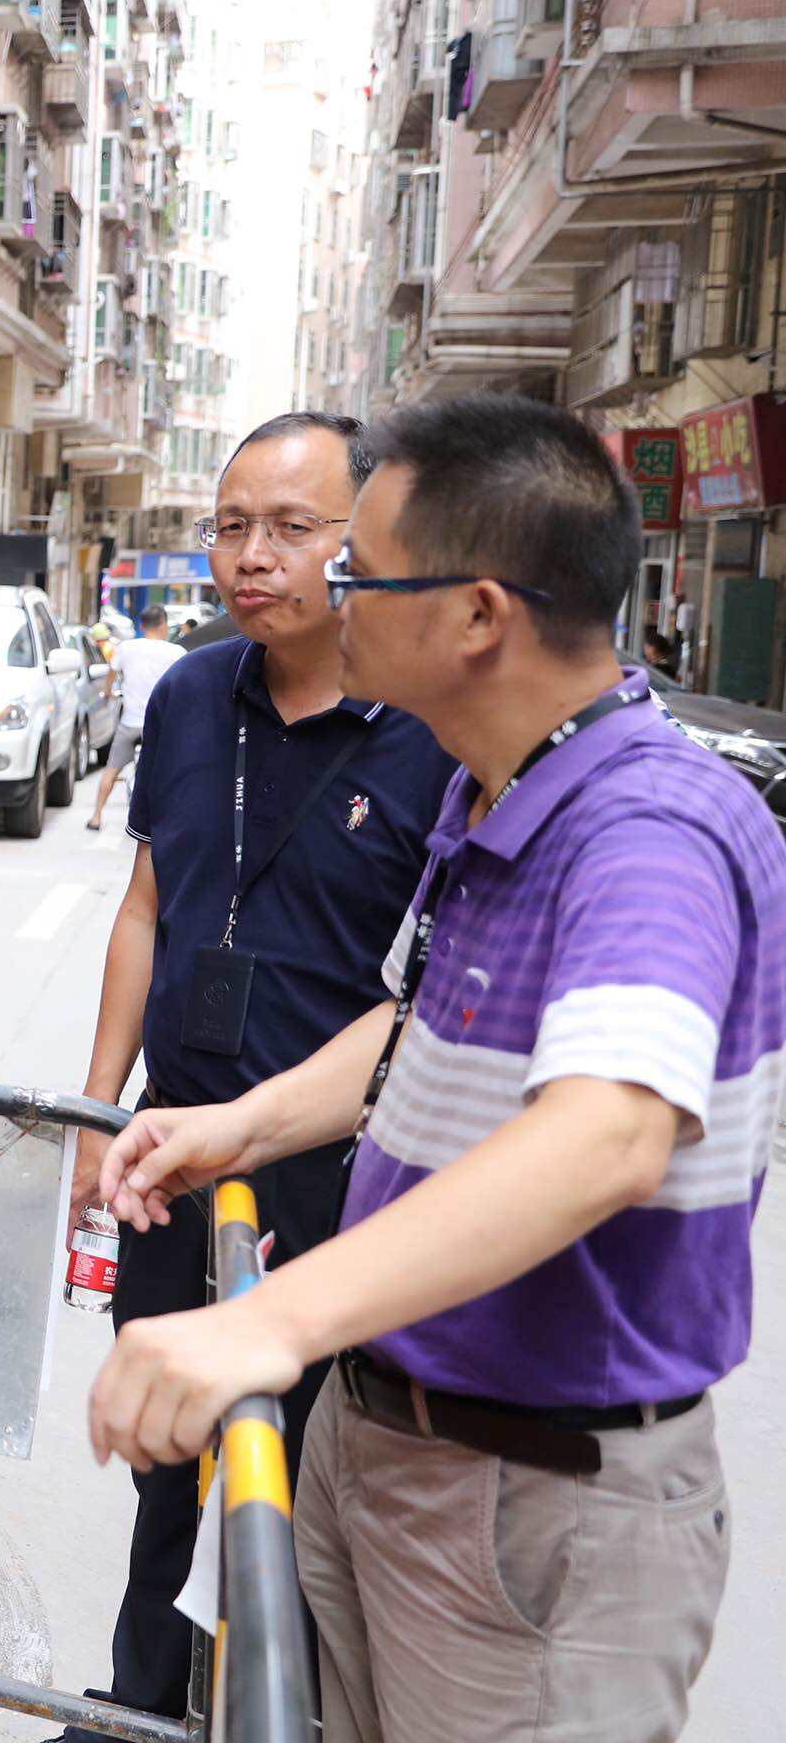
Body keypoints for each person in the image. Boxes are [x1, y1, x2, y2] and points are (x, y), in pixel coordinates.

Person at [90, 393, 777, 1743]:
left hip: (525, 1495)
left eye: (355, 565)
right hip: (383, 1438)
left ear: (474, 615)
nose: (321, 588)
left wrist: (268, 1323)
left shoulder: (645, 826)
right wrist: (238, 1125)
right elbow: (402, 1030)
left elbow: (610, 1135)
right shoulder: (494, 791)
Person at [51, 412, 457, 1742]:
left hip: (339, 1178)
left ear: (369, 543)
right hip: (177, 1159)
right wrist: (95, 1112)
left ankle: (272, 1707)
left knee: (298, 1486)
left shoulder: (427, 735)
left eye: (290, 526)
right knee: (166, 1449)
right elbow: (144, 911)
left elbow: (421, 1001)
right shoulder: (187, 695)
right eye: (230, 526)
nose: (251, 555)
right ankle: (140, 1695)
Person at [86, 606, 186, 833]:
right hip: (160, 727)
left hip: (130, 723)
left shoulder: (126, 648)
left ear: (142, 626)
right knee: (169, 773)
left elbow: (112, 676)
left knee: (111, 769)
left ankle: (96, 817)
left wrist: (109, 691)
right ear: (164, 625)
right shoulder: (176, 652)